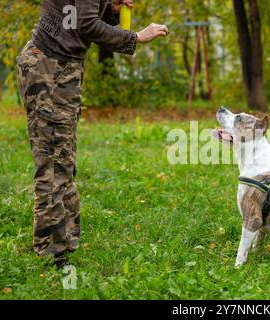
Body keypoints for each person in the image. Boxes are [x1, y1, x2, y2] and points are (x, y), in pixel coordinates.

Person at [16, 0, 168, 267]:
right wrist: (137, 37)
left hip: (60, 67)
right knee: (53, 161)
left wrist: (112, 8)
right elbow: (86, 24)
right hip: (50, 69)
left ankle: (62, 242)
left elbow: (77, 19)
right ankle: (50, 252)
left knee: (62, 158)